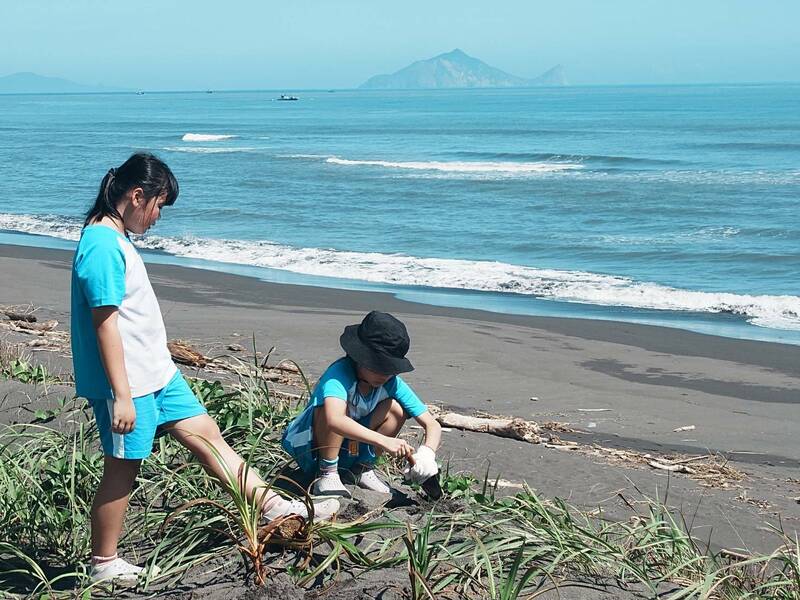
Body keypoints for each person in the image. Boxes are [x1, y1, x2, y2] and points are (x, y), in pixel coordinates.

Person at [71, 153, 338, 584]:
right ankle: (103, 563)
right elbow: (105, 323)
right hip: (130, 382)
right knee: (122, 467)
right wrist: (121, 394)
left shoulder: (115, 238)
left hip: (157, 373)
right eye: (159, 205)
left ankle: (274, 506)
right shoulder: (100, 244)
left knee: (207, 435)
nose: (158, 217)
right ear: (137, 196)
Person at [282, 311, 442, 498]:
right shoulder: (339, 374)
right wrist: (384, 440)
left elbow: (432, 424)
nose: (384, 374)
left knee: (396, 410)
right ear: (359, 357)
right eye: (377, 366)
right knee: (333, 411)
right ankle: (327, 473)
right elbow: (334, 420)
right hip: (311, 447)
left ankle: (362, 469)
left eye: (389, 369)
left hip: (350, 450)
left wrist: (427, 453)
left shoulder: (390, 382)